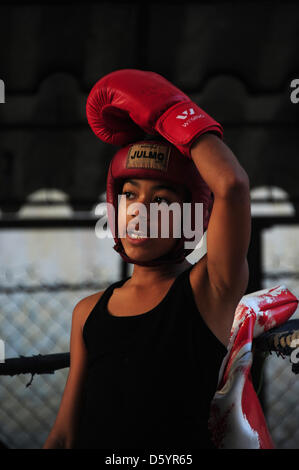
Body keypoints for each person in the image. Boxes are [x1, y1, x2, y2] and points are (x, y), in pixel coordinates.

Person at [42, 70, 251, 449]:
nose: (141, 212)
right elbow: (63, 436)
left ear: (192, 216)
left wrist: (173, 115)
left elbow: (232, 186)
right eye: (130, 195)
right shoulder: (87, 312)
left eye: (162, 202)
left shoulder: (209, 289)